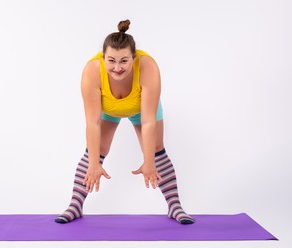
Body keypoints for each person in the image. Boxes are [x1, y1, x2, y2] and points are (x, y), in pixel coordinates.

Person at [55, 20, 194, 225]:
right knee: (95, 151)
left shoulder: (148, 67)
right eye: (111, 61)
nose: (117, 68)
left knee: (156, 149)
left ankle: (175, 206)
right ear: (103, 59)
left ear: (134, 58)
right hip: (108, 108)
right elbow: (92, 123)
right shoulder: (92, 71)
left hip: (140, 107)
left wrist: (148, 161)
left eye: (124, 61)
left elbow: (148, 121)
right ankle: (75, 205)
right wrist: (94, 164)